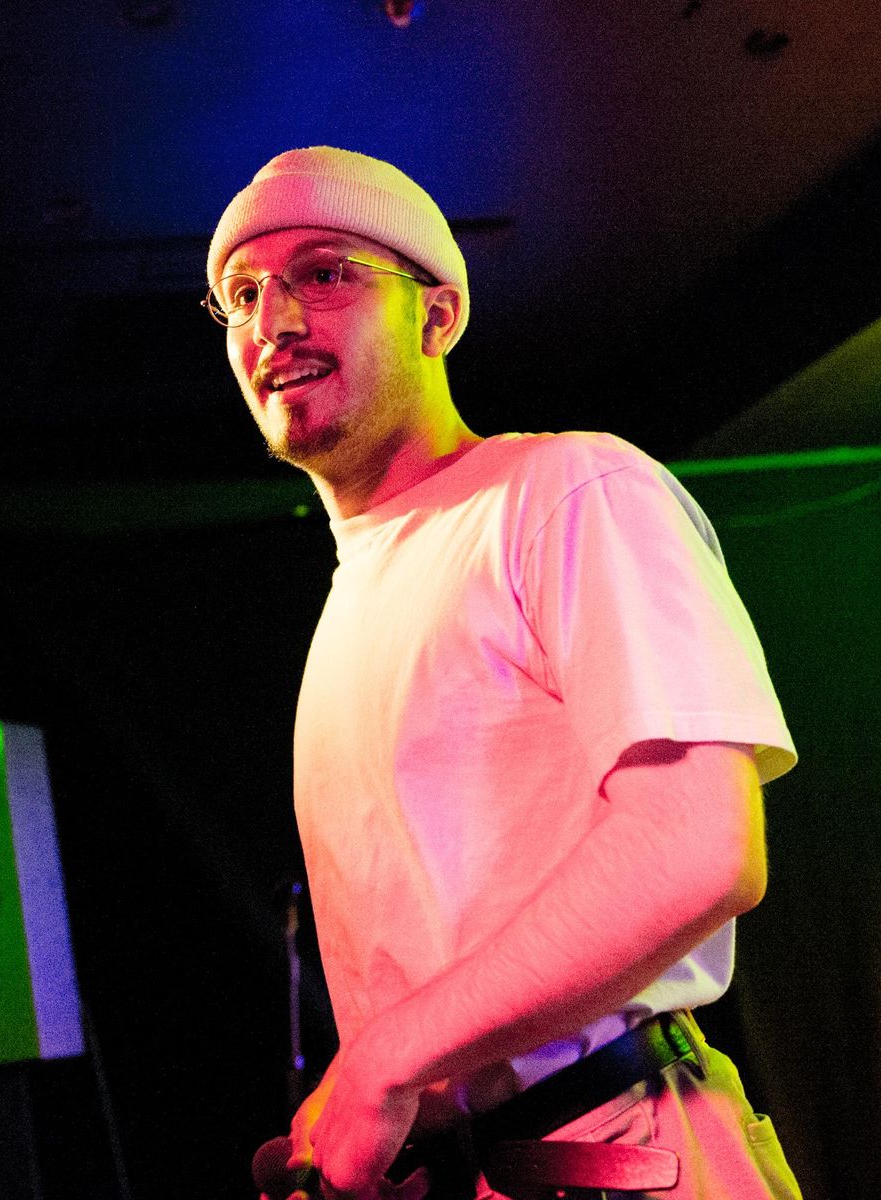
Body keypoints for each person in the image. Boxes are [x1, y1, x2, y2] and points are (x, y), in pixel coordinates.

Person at [205, 147, 803, 1200]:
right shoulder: (355, 593)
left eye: (325, 273)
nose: (274, 321)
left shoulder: (566, 488)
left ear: (436, 318)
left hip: (615, 1146)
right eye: (243, 295)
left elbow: (699, 847)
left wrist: (385, 1064)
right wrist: (364, 1103)